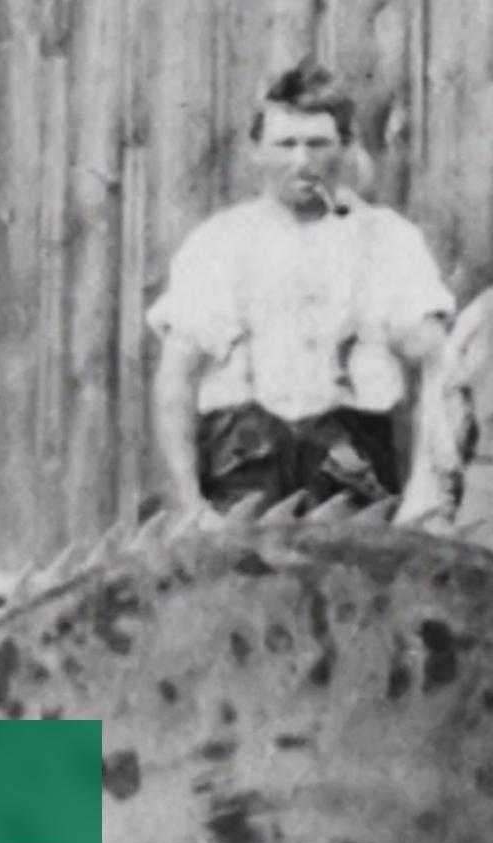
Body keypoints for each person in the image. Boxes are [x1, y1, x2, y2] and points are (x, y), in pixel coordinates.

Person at [148, 60, 472, 521]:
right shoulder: (219, 243)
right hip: (243, 469)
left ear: (346, 146)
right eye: (285, 144)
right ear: (257, 151)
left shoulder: (388, 241)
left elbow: (438, 369)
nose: (301, 161)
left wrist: (426, 491)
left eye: (317, 143)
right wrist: (190, 505)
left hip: (349, 469)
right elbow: (175, 381)